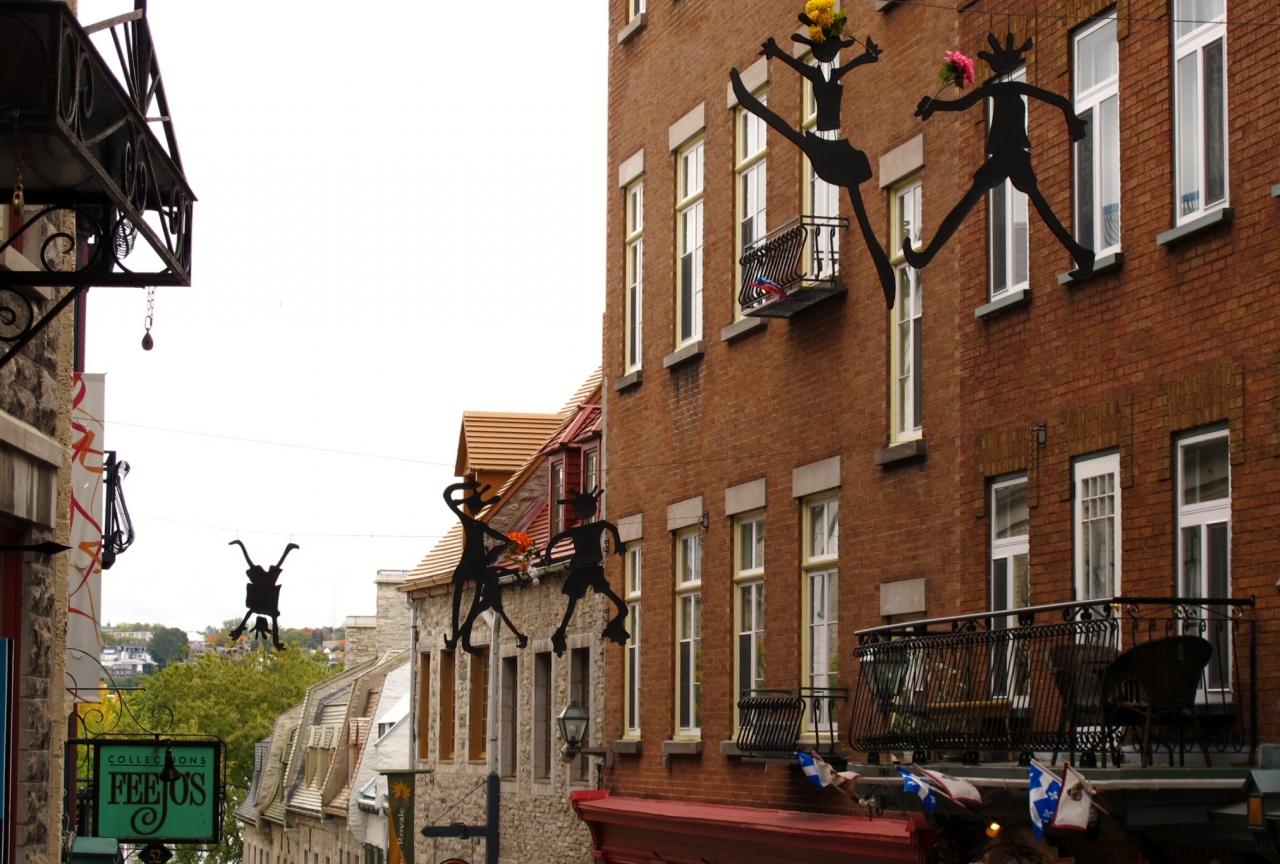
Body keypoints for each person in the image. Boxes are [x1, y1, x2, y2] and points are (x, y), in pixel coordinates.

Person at [903, 32, 1094, 280]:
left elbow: (1057, 99)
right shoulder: (1000, 89)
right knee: (988, 200)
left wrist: (1071, 119)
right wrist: (936, 105)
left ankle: (1080, 254)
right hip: (1005, 157)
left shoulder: (1009, 88)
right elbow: (963, 104)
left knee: (1023, 203)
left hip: (1011, 157)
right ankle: (1080, 254)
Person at [730, 34, 896, 307]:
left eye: (831, 49)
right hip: (822, 144)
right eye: (824, 50)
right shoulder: (815, 74)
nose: (827, 55)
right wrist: (777, 52)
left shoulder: (835, 73)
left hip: (838, 147)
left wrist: (868, 56)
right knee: (787, 130)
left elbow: (854, 63)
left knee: (863, 216)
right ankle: (749, 103)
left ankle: (884, 271)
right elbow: (795, 64)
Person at [543, 490, 628, 656]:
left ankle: (561, 632)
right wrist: (618, 544)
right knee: (572, 606)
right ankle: (561, 633)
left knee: (572, 606)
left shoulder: (587, 529)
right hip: (583, 571)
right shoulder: (594, 527)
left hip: (590, 570)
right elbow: (610, 527)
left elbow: (555, 540)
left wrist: (548, 556)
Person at [442, 480, 512, 652]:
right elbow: (448, 495)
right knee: (463, 600)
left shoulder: (472, 522)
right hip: (475, 563)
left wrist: (467, 488)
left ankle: (460, 639)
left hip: (471, 562)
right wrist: (468, 487)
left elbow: (448, 496)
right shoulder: (475, 523)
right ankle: (458, 638)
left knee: (466, 601)